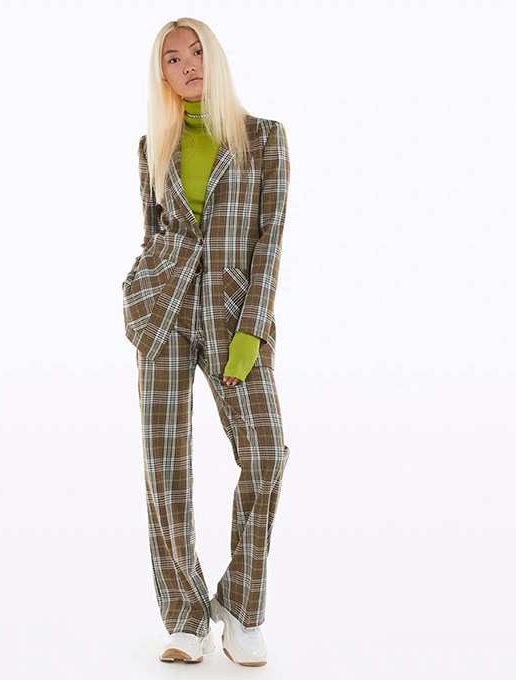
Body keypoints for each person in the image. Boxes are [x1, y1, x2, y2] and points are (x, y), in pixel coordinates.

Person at [121, 17, 291, 667]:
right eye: (173, 58)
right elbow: (153, 233)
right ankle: (186, 616)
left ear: (214, 58)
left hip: (231, 319)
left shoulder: (264, 138)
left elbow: (269, 241)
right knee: (164, 468)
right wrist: (138, 301)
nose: (188, 63)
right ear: (162, 75)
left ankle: (241, 609)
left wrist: (251, 329)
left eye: (196, 51)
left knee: (266, 453)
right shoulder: (153, 147)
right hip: (162, 314)